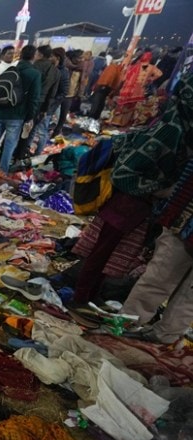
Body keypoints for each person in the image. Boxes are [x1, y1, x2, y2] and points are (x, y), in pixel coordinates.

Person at [72, 74, 193, 306]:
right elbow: (123, 174)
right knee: (102, 252)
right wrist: (160, 190)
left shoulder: (182, 128)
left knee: (117, 255)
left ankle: (89, 298)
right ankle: (80, 299)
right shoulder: (171, 129)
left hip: (143, 207)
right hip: (128, 203)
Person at [122, 157, 193, 344]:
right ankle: (127, 324)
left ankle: (164, 337)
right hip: (184, 223)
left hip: (183, 220)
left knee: (187, 296)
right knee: (158, 278)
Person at [0, 44, 41, 176]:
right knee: (9, 144)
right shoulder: (34, 74)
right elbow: (34, 98)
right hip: (17, 114)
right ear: (33, 56)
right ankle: (3, 171)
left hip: (1, 111)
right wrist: (30, 117)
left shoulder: (11, 69)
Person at [111, 52, 163, 127]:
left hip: (128, 89)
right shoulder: (151, 67)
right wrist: (150, 79)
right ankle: (125, 123)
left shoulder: (134, 66)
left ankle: (116, 121)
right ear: (150, 58)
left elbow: (124, 78)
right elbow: (160, 73)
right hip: (138, 90)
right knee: (132, 105)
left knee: (123, 104)